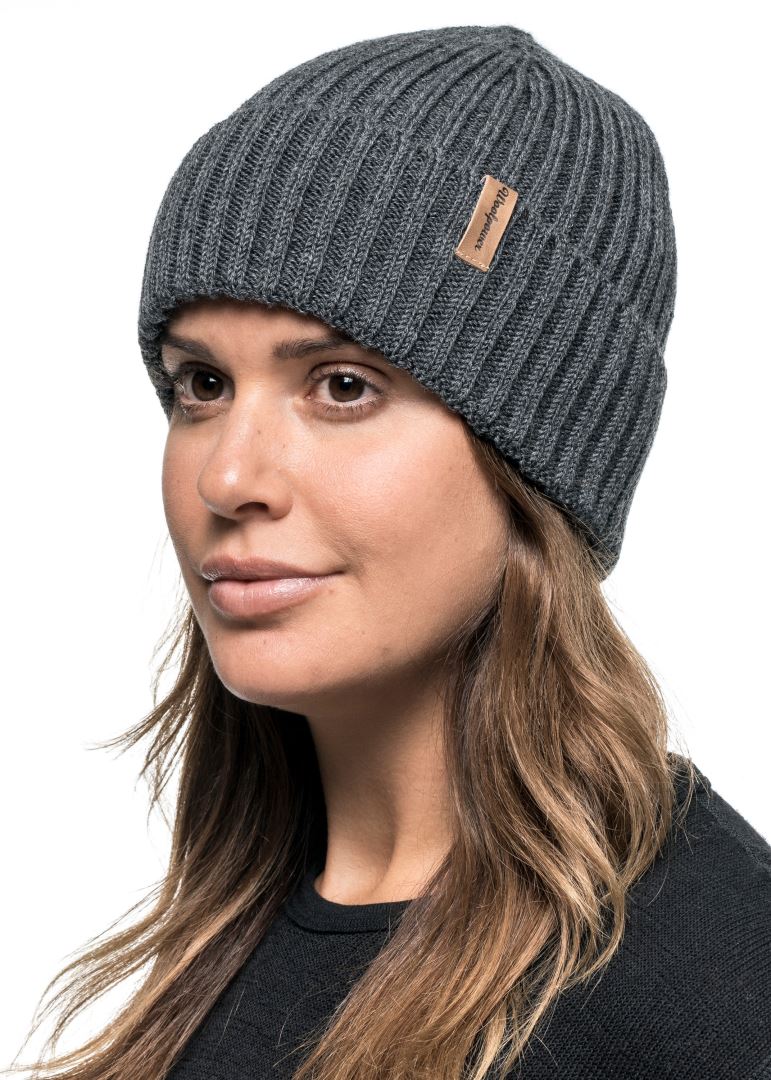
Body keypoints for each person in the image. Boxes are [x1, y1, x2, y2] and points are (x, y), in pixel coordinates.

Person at [10, 23, 770, 1080]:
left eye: (343, 387)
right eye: (203, 385)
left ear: (536, 461)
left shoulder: (709, 990)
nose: (227, 478)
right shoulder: (233, 937)